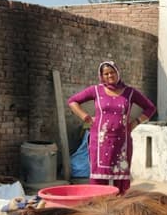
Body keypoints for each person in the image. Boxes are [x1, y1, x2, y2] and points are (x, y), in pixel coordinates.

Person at [67, 61, 156, 194]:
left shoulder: (130, 92)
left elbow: (150, 108)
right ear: (101, 76)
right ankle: (100, 208)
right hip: (100, 142)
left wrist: (136, 122)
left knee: (120, 177)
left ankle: (119, 208)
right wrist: (85, 117)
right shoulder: (96, 91)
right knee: (99, 178)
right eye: (106, 73)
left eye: (112, 72)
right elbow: (72, 101)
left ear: (117, 72)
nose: (110, 75)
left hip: (122, 142)